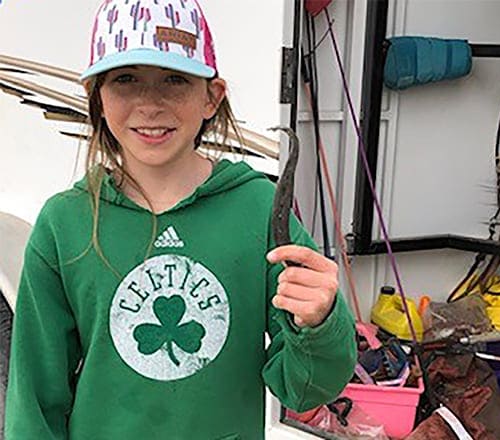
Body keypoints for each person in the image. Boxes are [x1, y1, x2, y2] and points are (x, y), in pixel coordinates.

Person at [4, 0, 357, 438]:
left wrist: (320, 322)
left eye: (174, 80)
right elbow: (35, 400)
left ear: (211, 96)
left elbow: (303, 390)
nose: (149, 105)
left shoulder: (259, 210)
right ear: (97, 96)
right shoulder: (65, 223)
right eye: (125, 80)